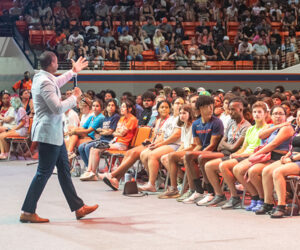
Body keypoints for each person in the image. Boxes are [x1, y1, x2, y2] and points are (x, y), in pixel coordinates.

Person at [20, 51, 98, 223]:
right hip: (49, 134)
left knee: (64, 171)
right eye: (57, 62)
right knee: (43, 173)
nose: (58, 64)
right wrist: (74, 98)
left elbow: (58, 81)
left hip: (54, 134)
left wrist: (73, 71)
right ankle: (27, 211)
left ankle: (78, 208)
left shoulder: (44, 78)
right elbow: (56, 108)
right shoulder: (44, 82)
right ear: (53, 63)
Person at [101, 100, 172, 190]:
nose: (164, 109)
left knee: (134, 152)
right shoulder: (158, 121)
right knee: (129, 152)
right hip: (152, 143)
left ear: (170, 109)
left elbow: (165, 138)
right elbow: (155, 136)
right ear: (158, 109)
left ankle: (112, 175)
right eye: (162, 107)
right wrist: (149, 140)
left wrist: (154, 143)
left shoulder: (170, 121)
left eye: (166, 107)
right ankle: (116, 180)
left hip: (159, 145)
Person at [243, 105, 294, 212]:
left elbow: (273, 144)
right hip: (267, 157)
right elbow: (260, 135)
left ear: (286, 116)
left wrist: (255, 155)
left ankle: (267, 201)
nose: (278, 116)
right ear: (271, 116)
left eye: (281, 114)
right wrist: (275, 127)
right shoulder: (270, 126)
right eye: (275, 114)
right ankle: (263, 200)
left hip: (278, 158)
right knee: (252, 171)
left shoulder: (287, 128)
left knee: (257, 170)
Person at [180, 95, 224, 205]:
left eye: (211, 106)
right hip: (204, 151)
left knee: (201, 157)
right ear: (200, 108)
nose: (211, 108)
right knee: (188, 156)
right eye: (207, 106)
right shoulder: (196, 124)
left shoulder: (217, 122)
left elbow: (213, 145)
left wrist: (199, 153)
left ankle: (210, 192)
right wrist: (192, 153)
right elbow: (198, 145)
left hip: (217, 152)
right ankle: (198, 191)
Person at [80, 100, 138, 181]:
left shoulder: (132, 119)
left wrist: (116, 132)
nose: (121, 108)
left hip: (122, 145)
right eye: (121, 106)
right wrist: (116, 132)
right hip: (115, 142)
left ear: (130, 109)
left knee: (96, 149)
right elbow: (116, 133)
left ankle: (93, 173)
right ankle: (89, 171)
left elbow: (120, 133)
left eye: (124, 107)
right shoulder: (122, 118)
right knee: (93, 148)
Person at [158, 104, 195, 198]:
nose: (182, 115)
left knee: (170, 156)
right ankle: (182, 180)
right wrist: (177, 152)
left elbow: (192, 146)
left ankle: (175, 188)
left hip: (192, 151)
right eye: (180, 113)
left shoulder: (193, 125)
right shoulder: (183, 125)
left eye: (184, 113)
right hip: (185, 149)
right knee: (164, 158)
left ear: (190, 114)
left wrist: (176, 153)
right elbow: (183, 144)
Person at [78, 99, 120, 168]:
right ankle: (88, 166)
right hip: (101, 139)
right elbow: (101, 131)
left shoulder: (116, 117)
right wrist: (102, 131)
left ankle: (92, 169)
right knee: (80, 147)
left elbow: (110, 131)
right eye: (109, 105)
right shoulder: (106, 117)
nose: (111, 107)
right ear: (106, 107)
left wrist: (102, 131)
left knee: (88, 147)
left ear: (116, 107)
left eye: (113, 105)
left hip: (109, 141)